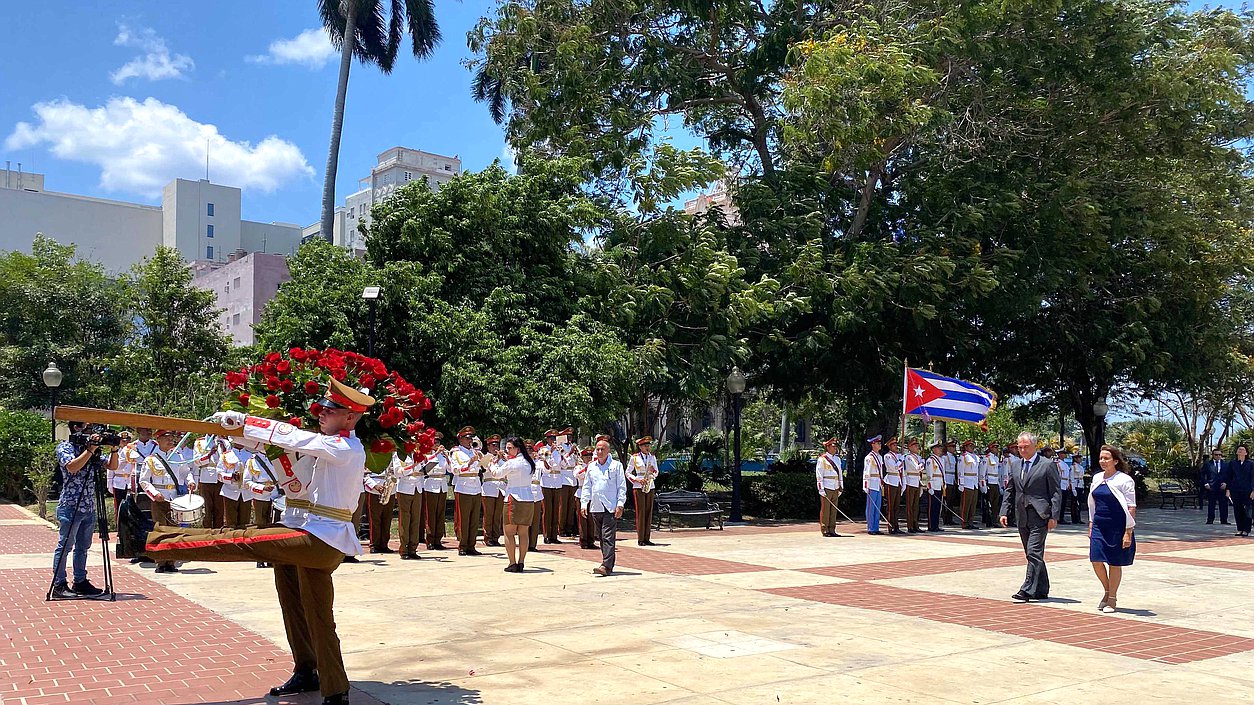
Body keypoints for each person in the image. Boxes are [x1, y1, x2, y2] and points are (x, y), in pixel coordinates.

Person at [133, 377, 376, 705]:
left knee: (242, 539)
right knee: (305, 609)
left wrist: (245, 422)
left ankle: (156, 541)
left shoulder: (344, 447)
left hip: (321, 538)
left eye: (331, 410)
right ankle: (325, 682)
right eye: (323, 407)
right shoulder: (326, 444)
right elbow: (283, 452)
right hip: (306, 528)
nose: (322, 412)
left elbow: (298, 439)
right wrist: (238, 433)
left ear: (349, 417)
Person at [51, 423, 118, 599]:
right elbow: (72, 467)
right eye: (87, 428)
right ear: (76, 428)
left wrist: (114, 449)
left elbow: (112, 466)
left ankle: (80, 582)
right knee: (65, 546)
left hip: (88, 506)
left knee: (83, 547)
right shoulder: (66, 447)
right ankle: (59, 585)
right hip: (71, 505)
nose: (91, 432)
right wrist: (89, 450)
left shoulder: (92, 450)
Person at [1000, 432, 1062, 602]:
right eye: (1020, 447)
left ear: (1035, 446)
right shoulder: (1015, 465)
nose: (1022, 450)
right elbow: (1010, 490)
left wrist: (1054, 515)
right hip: (1022, 514)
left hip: (1040, 514)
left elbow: (1056, 492)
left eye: (1025, 447)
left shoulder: (1047, 465)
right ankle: (1042, 588)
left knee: (1033, 551)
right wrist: (1004, 511)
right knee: (1031, 553)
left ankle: (1027, 589)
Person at [138, 430, 196, 574]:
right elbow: (144, 481)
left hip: (175, 497)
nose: (171, 441)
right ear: (158, 440)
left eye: (172, 439)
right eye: (167, 439)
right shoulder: (151, 459)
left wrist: (190, 481)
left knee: (174, 530)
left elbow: (186, 472)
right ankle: (161, 561)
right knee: (161, 530)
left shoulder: (177, 456)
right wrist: (154, 494)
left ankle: (171, 561)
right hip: (160, 497)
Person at [1089, 444, 1137, 613]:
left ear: (1115, 461)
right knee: (1096, 560)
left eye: (1106, 458)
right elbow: (1092, 504)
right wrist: (1090, 523)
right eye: (1101, 458)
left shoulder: (1124, 479)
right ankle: (1107, 590)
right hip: (1099, 524)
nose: (1103, 461)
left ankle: (1112, 598)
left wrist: (1128, 532)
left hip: (1118, 525)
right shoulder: (1097, 478)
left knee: (1114, 562)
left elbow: (1131, 507)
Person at [581, 438, 626, 576]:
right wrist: (584, 503)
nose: (599, 452)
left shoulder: (616, 465)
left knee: (608, 536)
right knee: (600, 536)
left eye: (602, 449)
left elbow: (621, 486)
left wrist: (620, 504)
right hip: (596, 506)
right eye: (598, 449)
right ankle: (608, 563)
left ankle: (606, 566)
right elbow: (587, 486)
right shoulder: (592, 466)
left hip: (610, 506)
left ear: (608, 450)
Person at [502, 437, 542, 572]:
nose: (507, 450)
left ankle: (512, 562)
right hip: (528, 497)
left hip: (513, 498)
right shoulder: (529, 462)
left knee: (509, 532)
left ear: (517, 448)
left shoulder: (512, 463)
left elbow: (496, 474)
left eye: (510, 448)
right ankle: (521, 562)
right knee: (523, 532)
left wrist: (491, 464)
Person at [450, 426, 484, 556]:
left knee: (475, 518)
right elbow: (455, 470)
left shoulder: (474, 452)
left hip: (476, 485)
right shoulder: (457, 453)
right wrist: (469, 464)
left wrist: (481, 459)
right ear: (461, 439)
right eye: (467, 438)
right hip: (463, 486)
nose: (470, 440)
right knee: (464, 518)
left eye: (471, 437)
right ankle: (463, 546)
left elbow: (483, 467)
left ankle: (471, 545)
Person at [245, 449, 281, 568]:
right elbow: (246, 482)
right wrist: (261, 488)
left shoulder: (277, 458)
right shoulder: (252, 461)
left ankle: (272, 557)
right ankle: (260, 557)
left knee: (274, 527)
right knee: (260, 527)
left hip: (276, 496)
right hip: (260, 496)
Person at [627, 437, 660, 545]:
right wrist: (636, 479)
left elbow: (656, 471)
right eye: (645, 446)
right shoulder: (635, 458)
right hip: (638, 485)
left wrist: (653, 474)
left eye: (648, 445)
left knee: (648, 511)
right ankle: (640, 538)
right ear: (640, 447)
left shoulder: (652, 457)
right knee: (641, 512)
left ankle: (647, 537)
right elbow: (628, 472)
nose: (647, 447)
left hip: (650, 484)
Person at [394, 450, 424, 559]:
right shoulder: (400, 454)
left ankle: (413, 548)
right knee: (405, 519)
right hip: (405, 487)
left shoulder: (418, 453)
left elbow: (423, 470)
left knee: (416, 519)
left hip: (417, 487)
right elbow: (398, 472)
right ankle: (404, 548)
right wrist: (412, 466)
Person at [192, 433, 226, 529]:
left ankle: (218, 532)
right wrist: (209, 454)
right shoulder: (200, 442)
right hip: (206, 477)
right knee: (207, 509)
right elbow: (196, 461)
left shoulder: (222, 441)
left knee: (220, 510)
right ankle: (207, 533)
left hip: (220, 478)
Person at [479, 435, 507, 547]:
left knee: (498, 515)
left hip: (501, 488)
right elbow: (486, 468)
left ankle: (496, 537)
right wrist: (497, 459)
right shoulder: (485, 457)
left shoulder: (503, 459)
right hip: (489, 487)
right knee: (489, 514)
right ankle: (488, 537)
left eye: (497, 445)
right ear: (488, 446)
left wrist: (504, 459)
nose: (495, 447)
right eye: (493, 445)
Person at [423, 436, 450, 550]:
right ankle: (430, 539)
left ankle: (438, 539)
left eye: (438, 442)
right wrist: (436, 453)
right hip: (431, 483)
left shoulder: (443, 455)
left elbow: (450, 469)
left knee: (440, 513)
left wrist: (448, 458)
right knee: (431, 513)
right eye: (435, 442)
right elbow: (425, 466)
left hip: (442, 484)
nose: (437, 444)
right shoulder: (427, 454)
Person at [538, 429, 565, 543]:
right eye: (551, 439)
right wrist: (553, 452)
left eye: (555, 439)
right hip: (547, 482)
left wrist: (562, 455)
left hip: (557, 481)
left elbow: (564, 465)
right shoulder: (543, 450)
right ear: (547, 439)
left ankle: (554, 535)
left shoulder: (558, 451)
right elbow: (551, 464)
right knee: (547, 510)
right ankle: (546, 535)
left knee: (555, 510)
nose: (553, 441)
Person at [218, 440, 251, 530]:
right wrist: (230, 477)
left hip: (246, 493)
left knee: (245, 523)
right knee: (230, 523)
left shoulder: (251, 456)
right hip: (230, 491)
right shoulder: (226, 455)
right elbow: (219, 473)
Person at [815, 437, 844, 537]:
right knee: (826, 509)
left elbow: (840, 473)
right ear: (827, 447)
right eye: (833, 446)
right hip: (827, 486)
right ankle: (825, 528)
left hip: (835, 485)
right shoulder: (822, 459)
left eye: (836, 446)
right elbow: (819, 475)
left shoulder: (837, 459)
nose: (835, 448)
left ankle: (832, 529)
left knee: (833, 509)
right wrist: (821, 489)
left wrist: (841, 486)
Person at [1226, 443, 1254, 537]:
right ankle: (1240, 529)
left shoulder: (1251, 464)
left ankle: (1246, 530)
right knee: (1237, 510)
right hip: (1235, 490)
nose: (1240, 451)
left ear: (1246, 453)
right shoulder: (1233, 463)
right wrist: (1228, 489)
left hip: (1248, 490)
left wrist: (1253, 490)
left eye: (1242, 450)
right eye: (1239, 449)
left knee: (1248, 510)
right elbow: (1229, 477)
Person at [558, 427, 580, 537]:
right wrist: (570, 453)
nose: (570, 438)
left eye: (571, 436)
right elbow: (562, 461)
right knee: (563, 505)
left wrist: (575, 453)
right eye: (568, 436)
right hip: (564, 476)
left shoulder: (573, 447)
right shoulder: (560, 447)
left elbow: (577, 461)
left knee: (571, 506)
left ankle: (569, 528)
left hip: (573, 477)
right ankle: (561, 529)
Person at [575, 446, 598, 548]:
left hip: (592, 494)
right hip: (581, 493)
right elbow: (577, 475)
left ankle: (591, 540)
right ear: (582, 457)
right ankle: (583, 540)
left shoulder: (595, 467)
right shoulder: (579, 466)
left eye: (590, 456)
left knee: (591, 518)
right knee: (583, 518)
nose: (589, 458)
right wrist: (586, 468)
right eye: (586, 456)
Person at [1200, 449, 1230, 525]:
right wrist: (1206, 483)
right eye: (1216, 455)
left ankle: (1224, 520)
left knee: (1223, 504)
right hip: (1211, 487)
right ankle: (1210, 520)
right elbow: (1202, 475)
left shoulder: (1226, 464)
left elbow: (1229, 475)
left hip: (1222, 487)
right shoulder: (1208, 464)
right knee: (1211, 504)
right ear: (1213, 455)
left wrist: (1226, 484)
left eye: (1220, 455)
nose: (1218, 456)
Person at [863, 435, 884, 535]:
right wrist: (866, 485)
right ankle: (870, 527)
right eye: (878, 443)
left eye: (880, 443)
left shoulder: (880, 457)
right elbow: (866, 472)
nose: (880, 445)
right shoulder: (869, 458)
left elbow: (881, 472)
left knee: (877, 506)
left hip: (878, 483)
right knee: (871, 506)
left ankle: (876, 527)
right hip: (871, 483)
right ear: (873, 444)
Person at [882, 437, 904, 534]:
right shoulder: (887, 456)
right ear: (890, 446)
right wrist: (901, 461)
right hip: (891, 480)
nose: (896, 447)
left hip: (898, 480)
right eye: (894, 445)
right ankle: (890, 526)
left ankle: (896, 526)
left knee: (896, 506)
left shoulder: (898, 456)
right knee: (891, 506)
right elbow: (894, 467)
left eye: (896, 445)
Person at [958, 440, 980, 529]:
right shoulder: (963, 457)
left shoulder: (975, 457)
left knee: (973, 504)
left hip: (974, 482)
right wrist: (961, 483)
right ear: (966, 447)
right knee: (965, 504)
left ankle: (970, 521)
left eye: (973, 446)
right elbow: (960, 470)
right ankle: (964, 522)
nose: (972, 448)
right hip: (967, 481)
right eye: (970, 446)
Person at [903, 438, 924, 533]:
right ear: (910, 447)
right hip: (910, 481)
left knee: (916, 506)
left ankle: (916, 524)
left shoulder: (918, 457)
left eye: (917, 445)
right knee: (910, 505)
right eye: (914, 445)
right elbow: (917, 468)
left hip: (917, 481)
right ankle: (910, 525)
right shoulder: (908, 457)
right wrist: (922, 463)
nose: (917, 447)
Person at [925, 440, 945, 532]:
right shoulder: (930, 460)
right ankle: (931, 525)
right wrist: (930, 487)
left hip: (939, 484)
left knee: (938, 507)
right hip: (933, 484)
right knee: (932, 507)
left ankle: (936, 525)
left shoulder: (941, 460)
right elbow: (929, 475)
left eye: (941, 448)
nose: (941, 449)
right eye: (939, 448)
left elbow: (942, 473)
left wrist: (944, 483)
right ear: (934, 449)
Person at [981, 443, 1002, 528]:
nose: (996, 449)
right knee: (988, 504)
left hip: (995, 482)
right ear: (990, 448)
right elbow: (982, 473)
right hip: (989, 482)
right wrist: (983, 485)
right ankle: (988, 521)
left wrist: (999, 485)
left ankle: (994, 521)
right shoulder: (986, 458)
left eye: (997, 447)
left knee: (995, 504)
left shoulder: (996, 458)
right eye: (995, 447)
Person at [942, 441, 958, 525]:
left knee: (951, 501)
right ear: (948, 447)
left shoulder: (954, 457)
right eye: (952, 446)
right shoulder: (944, 457)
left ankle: (950, 518)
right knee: (946, 500)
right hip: (947, 479)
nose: (954, 448)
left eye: (954, 446)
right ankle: (945, 519)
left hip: (952, 479)